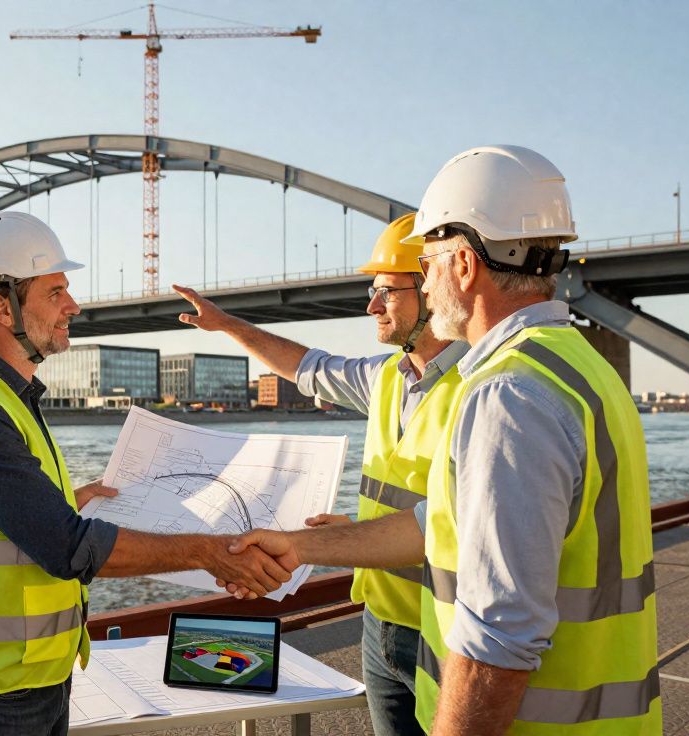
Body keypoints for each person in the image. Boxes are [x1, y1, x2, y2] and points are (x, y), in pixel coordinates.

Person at [229, 146, 660, 734]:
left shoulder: (508, 396)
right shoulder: (578, 367)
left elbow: (499, 638)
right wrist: (302, 547)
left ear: (463, 265)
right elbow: (448, 522)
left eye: (427, 263)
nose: (426, 286)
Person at [0, 210, 292, 736]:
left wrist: (66, 499)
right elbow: (69, 549)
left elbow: (4, 524)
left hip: (33, 676)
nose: (74, 305)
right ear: (2, 308)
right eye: (54, 292)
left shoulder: (7, 399)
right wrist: (207, 551)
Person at [173, 212, 466, 736]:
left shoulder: (481, 388)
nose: (371, 305)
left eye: (387, 292)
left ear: (433, 288)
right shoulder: (386, 379)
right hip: (380, 623)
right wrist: (228, 325)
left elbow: (447, 523)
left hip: (445, 628)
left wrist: (305, 546)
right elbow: (307, 365)